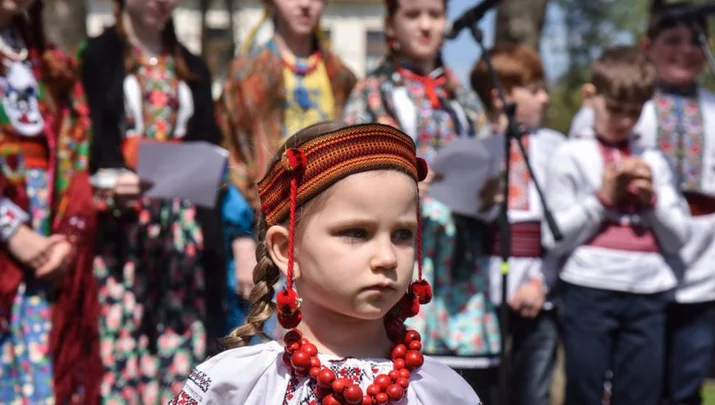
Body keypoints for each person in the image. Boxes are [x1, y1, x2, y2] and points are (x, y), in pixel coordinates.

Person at [170, 121, 482, 405]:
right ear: (286, 250)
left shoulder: (442, 392)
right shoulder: (237, 385)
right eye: (356, 233)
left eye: (402, 234)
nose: (387, 258)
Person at [343, 0, 501, 395]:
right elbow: (349, 170)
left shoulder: (463, 97)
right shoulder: (373, 92)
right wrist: (402, 183)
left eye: (434, 14)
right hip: (403, 243)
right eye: (413, 15)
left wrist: (488, 190)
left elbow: (484, 155)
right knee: (401, 372)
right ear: (391, 24)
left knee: (458, 383)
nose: (426, 25)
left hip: (460, 246)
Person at [569, 5, 715, 403]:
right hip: (629, 273)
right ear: (648, 46)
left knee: (685, 383)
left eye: (696, 42)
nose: (685, 51)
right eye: (673, 41)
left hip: (704, 268)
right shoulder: (626, 105)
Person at [80, 0, 225, 402]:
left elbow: (207, 143)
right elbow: (84, 141)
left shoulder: (190, 65)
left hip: (180, 226)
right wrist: (108, 182)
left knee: (178, 341)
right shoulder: (97, 57)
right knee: (119, 340)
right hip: (121, 224)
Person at [543, 46, 690, 405]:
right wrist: (603, 199)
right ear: (591, 97)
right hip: (589, 289)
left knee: (641, 393)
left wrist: (651, 201)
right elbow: (555, 237)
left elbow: (678, 238)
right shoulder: (569, 155)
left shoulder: (653, 160)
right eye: (615, 109)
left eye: (634, 112)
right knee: (585, 390)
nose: (624, 120)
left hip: (649, 291)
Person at [218, 0, 356, 336]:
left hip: (329, 225)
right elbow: (230, 154)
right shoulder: (246, 74)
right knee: (265, 346)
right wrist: (240, 237)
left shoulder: (341, 77)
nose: (305, 4)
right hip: (263, 227)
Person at [0, 0, 101, 403]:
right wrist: (11, 230)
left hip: (47, 247)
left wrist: (66, 237)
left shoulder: (51, 64)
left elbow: (75, 154)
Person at [469, 43, 564, 405]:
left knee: (532, 392)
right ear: (500, 96)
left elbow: (563, 232)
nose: (545, 98)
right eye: (535, 89)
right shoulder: (475, 149)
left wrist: (543, 282)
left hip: (540, 294)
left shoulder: (556, 148)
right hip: (484, 296)